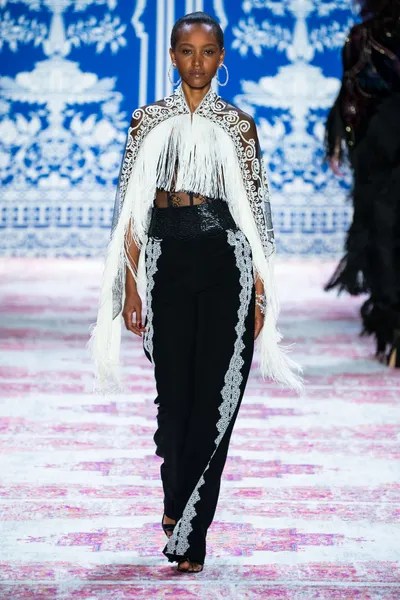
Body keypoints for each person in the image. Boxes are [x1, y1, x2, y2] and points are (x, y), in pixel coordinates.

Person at [89, 12, 302, 574]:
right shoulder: (146, 122)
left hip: (225, 262)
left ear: (222, 57)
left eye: (208, 52)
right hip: (166, 263)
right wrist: (131, 287)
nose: (198, 62)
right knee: (173, 403)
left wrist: (261, 293)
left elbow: (256, 216)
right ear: (172, 55)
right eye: (187, 51)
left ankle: (190, 533)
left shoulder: (238, 126)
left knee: (215, 399)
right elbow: (132, 209)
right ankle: (174, 498)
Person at [325, 0, 400, 366]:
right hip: (382, 152)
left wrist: (343, 138)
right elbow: (352, 96)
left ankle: (392, 330)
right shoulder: (364, 38)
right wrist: (342, 137)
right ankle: (393, 329)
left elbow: (352, 99)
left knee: (384, 233)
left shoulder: (363, 38)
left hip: (379, 149)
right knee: (383, 233)